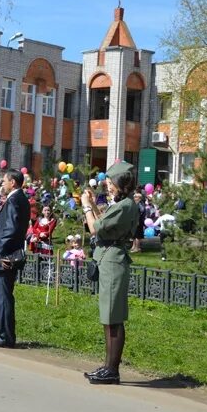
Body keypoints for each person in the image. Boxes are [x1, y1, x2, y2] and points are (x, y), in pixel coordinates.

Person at [80, 162, 139, 385]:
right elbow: (103, 223)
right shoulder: (123, 204)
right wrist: (94, 206)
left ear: (120, 184)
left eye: (110, 183)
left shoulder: (125, 205)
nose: (108, 187)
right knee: (108, 317)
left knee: (113, 318)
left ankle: (112, 369)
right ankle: (108, 367)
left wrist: (86, 206)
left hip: (114, 263)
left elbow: (94, 228)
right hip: (109, 261)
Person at [0, 169, 30, 348]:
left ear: (13, 182)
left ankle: (5, 336)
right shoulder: (17, 199)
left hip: (6, 256)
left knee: (3, 297)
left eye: (4, 181)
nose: (1, 183)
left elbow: (10, 229)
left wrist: (2, 252)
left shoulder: (14, 200)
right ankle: (6, 335)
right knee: (4, 295)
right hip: (10, 253)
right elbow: (4, 220)